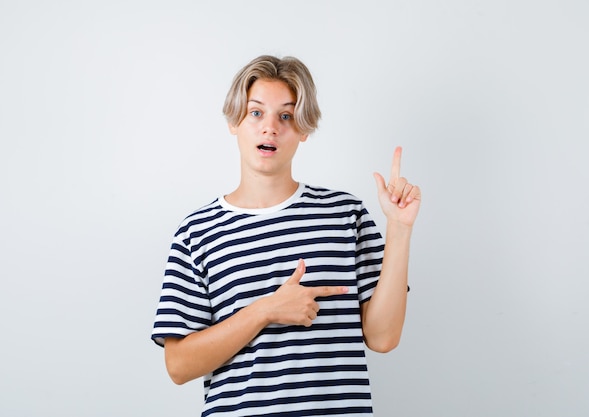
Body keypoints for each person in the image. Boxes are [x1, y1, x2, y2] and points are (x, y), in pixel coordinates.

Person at [151, 55, 421, 416]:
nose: (270, 128)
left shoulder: (345, 215)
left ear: (304, 129)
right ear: (235, 121)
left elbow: (383, 338)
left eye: (287, 116)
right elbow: (179, 365)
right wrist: (266, 310)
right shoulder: (197, 233)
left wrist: (400, 230)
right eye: (256, 113)